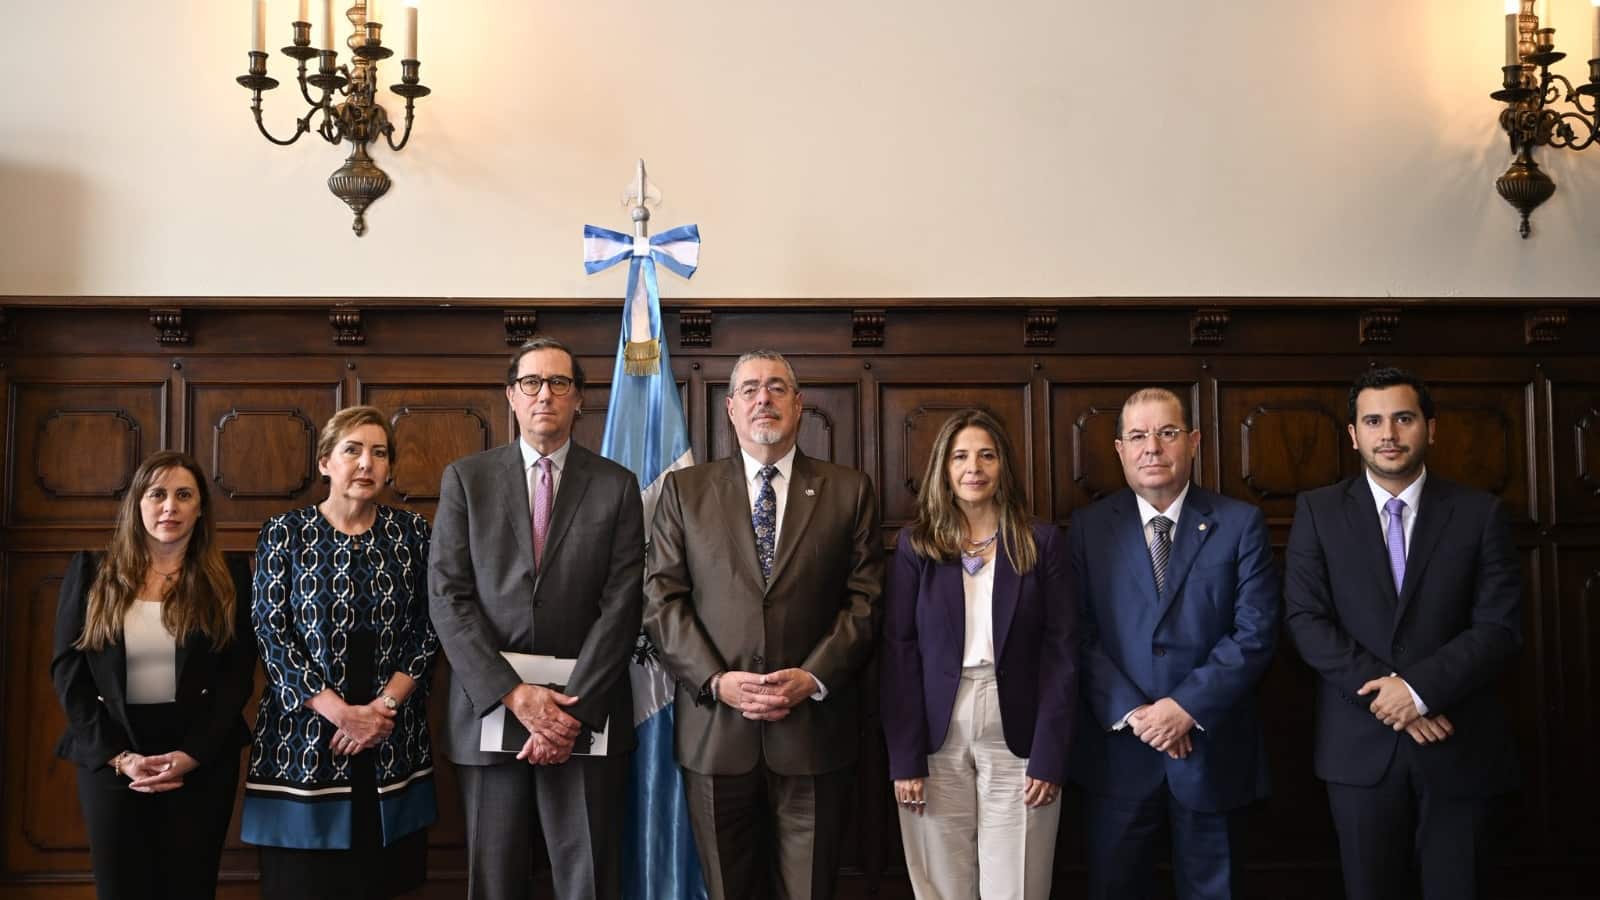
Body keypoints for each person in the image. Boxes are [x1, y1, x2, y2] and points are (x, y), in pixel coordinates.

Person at [643, 349, 885, 900]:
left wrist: (814, 677)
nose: (763, 399)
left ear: (799, 406)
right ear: (730, 408)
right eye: (750, 389)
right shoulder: (686, 492)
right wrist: (715, 680)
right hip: (716, 735)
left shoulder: (849, 491)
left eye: (777, 388)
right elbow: (661, 600)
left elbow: (866, 601)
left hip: (814, 736)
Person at [1284, 367, 1520, 900]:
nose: (1388, 433)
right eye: (1373, 421)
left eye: (1403, 418)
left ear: (1430, 428)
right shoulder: (1317, 512)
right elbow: (1305, 620)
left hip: (1459, 745)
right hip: (1358, 752)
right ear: (1354, 434)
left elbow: (1499, 628)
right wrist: (1390, 694)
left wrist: (1418, 692)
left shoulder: (1480, 513)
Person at [429, 337, 644, 900]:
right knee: (495, 881)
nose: (544, 394)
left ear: (579, 400)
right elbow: (448, 597)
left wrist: (567, 714)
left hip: (584, 715)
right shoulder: (466, 479)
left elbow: (623, 604)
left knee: (588, 880)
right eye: (532, 383)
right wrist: (514, 694)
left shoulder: (616, 485)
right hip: (489, 713)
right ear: (511, 396)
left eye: (560, 384)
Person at [1069, 387, 1279, 900]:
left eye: (1167, 433)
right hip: (1120, 753)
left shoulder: (1240, 522)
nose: (1152, 448)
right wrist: (1140, 715)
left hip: (1211, 750)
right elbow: (1077, 634)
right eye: (1138, 436)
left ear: (1194, 442)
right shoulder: (1088, 529)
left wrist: (1184, 707)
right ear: (1120, 450)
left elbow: (1254, 632)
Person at [241, 405, 440, 900]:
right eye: (352, 450)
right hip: (306, 744)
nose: (366, 464)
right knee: (304, 885)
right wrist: (340, 714)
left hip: (391, 738)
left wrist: (382, 709)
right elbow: (271, 632)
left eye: (378, 453)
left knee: (384, 882)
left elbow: (430, 627)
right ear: (326, 461)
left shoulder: (412, 533)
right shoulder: (284, 533)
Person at [880, 408, 1077, 900]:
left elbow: (1063, 652)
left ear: (1002, 466)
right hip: (934, 729)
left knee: (1017, 885)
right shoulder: (915, 545)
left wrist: (1050, 756)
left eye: (986, 455)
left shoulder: (1041, 542)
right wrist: (905, 758)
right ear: (943, 469)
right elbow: (899, 651)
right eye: (961, 456)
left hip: (1020, 728)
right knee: (942, 884)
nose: (974, 467)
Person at [51, 450, 255, 900]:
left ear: (200, 507)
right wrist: (120, 757)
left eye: (184, 495)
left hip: (200, 757)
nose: (170, 507)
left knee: (190, 887)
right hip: (112, 753)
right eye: (157, 494)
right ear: (136, 504)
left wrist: (192, 754)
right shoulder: (92, 572)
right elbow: (68, 672)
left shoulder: (229, 577)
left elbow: (236, 676)